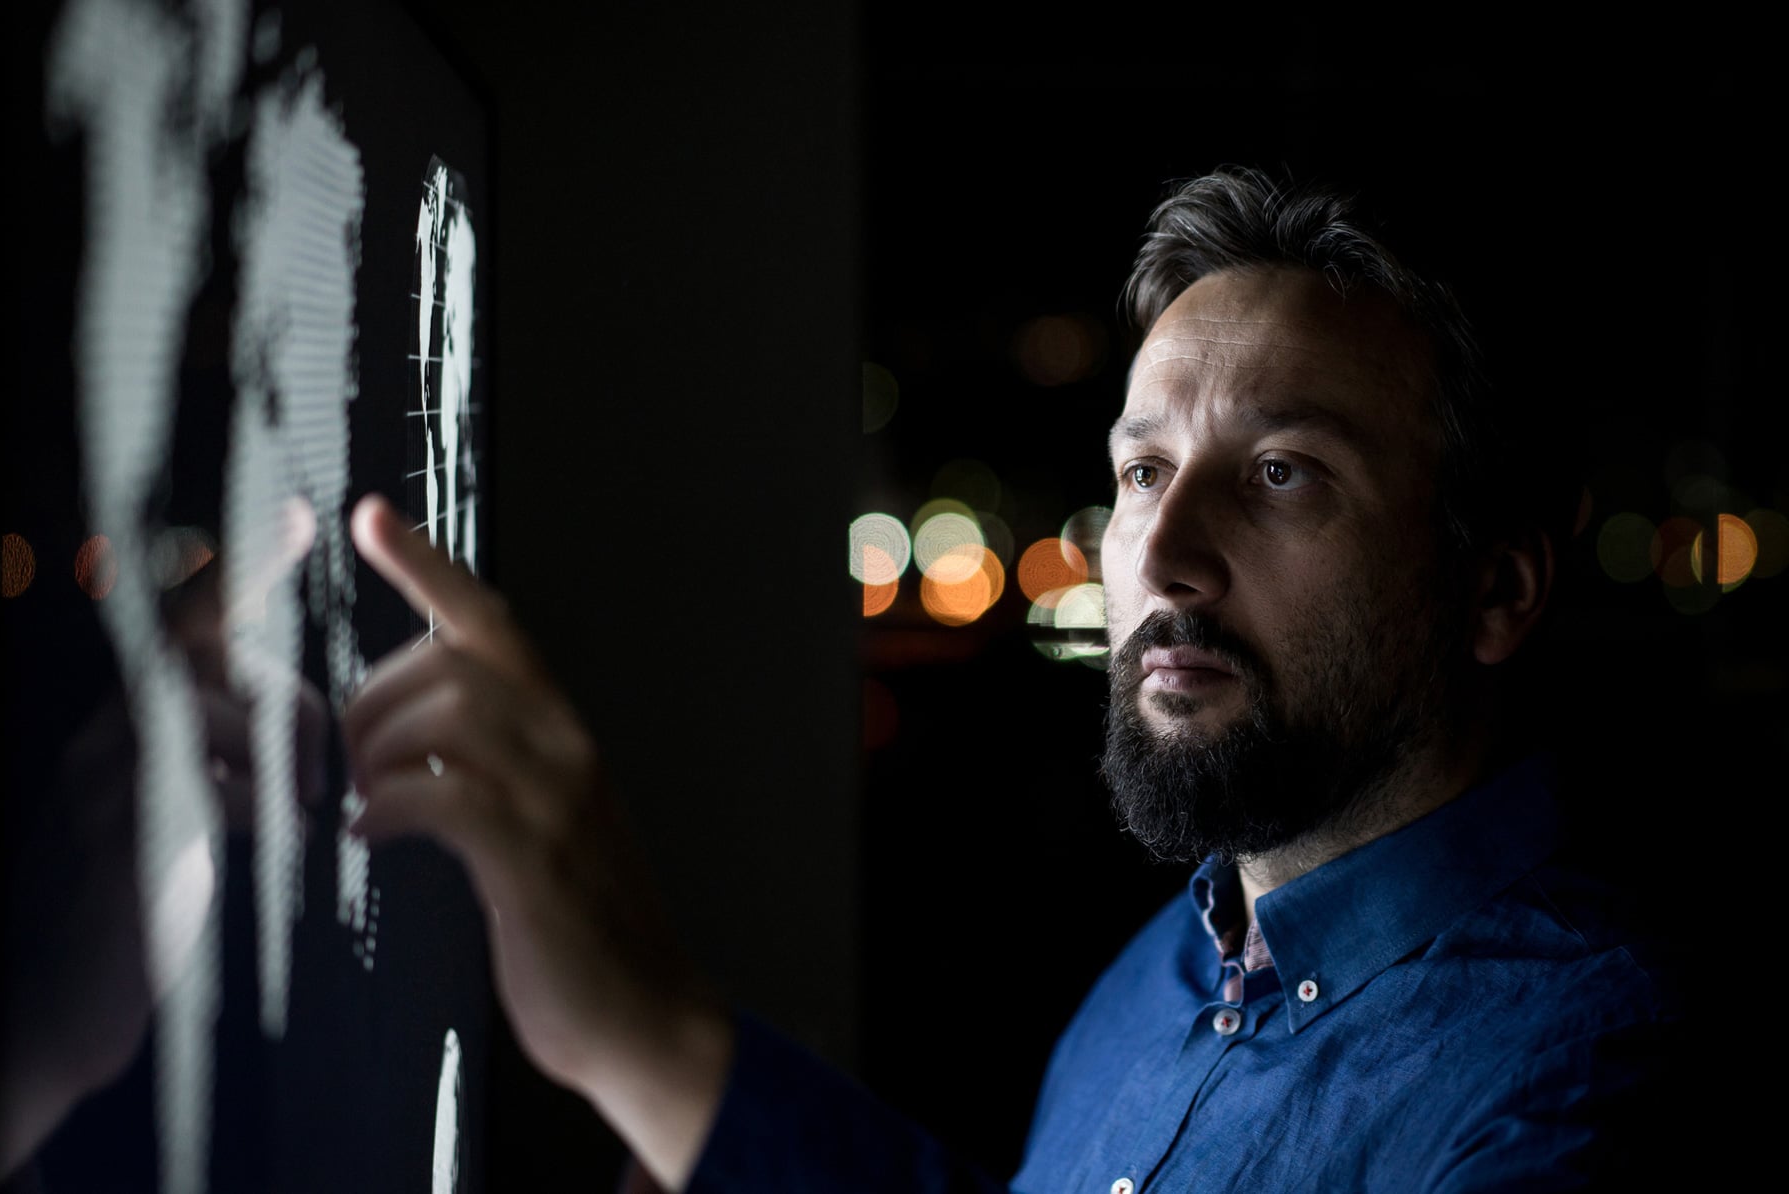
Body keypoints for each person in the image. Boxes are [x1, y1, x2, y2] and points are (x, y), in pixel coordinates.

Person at [341, 166, 1684, 1191]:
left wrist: (655, 1037)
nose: (1163, 554)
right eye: (1144, 471)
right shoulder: (1167, 975)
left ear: (1494, 590)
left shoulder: (1580, 1080)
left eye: (1282, 473)